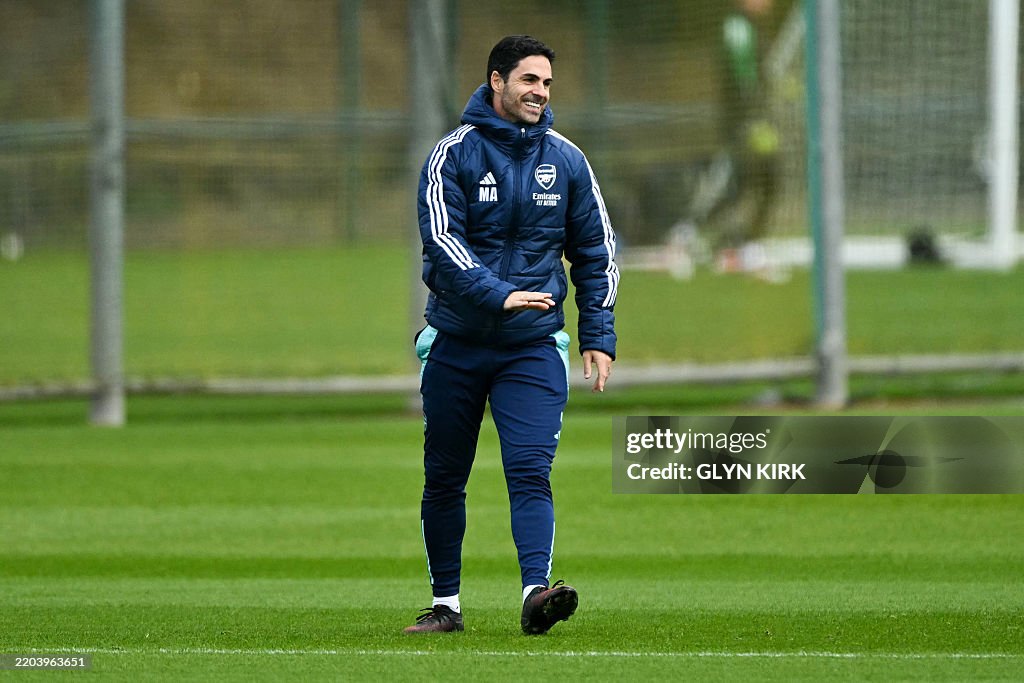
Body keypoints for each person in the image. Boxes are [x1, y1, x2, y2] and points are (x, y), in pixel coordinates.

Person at [404, 35, 619, 635]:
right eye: (529, 80)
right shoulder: (452, 156)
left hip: (532, 344)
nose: (540, 93)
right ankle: (445, 605)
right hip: (456, 342)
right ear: (496, 81)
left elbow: (595, 252)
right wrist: (497, 292)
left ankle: (535, 593)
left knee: (530, 467)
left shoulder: (568, 160)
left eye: (547, 83)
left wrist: (597, 332)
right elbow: (442, 246)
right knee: (445, 474)